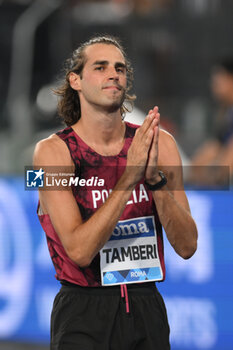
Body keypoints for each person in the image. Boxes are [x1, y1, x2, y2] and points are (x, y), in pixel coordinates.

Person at [33, 35, 197, 350]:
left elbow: (188, 245)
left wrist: (155, 182)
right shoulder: (51, 153)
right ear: (76, 80)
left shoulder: (160, 145)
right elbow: (79, 252)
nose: (114, 74)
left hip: (146, 307)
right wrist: (128, 179)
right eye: (101, 67)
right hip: (82, 312)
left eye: (120, 68)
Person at [190, 57, 233, 187]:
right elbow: (211, 149)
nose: (213, 87)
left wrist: (213, 176)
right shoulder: (226, 114)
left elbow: (227, 166)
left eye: (218, 82)